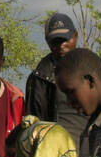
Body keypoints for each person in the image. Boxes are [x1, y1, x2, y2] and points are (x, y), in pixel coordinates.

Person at [23, 12, 82, 146]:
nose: (61, 46)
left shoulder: (90, 70)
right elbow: (34, 124)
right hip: (53, 151)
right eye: (55, 42)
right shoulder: (39, 79)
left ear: (75, 36)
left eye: (65, 40)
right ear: (47, 42)